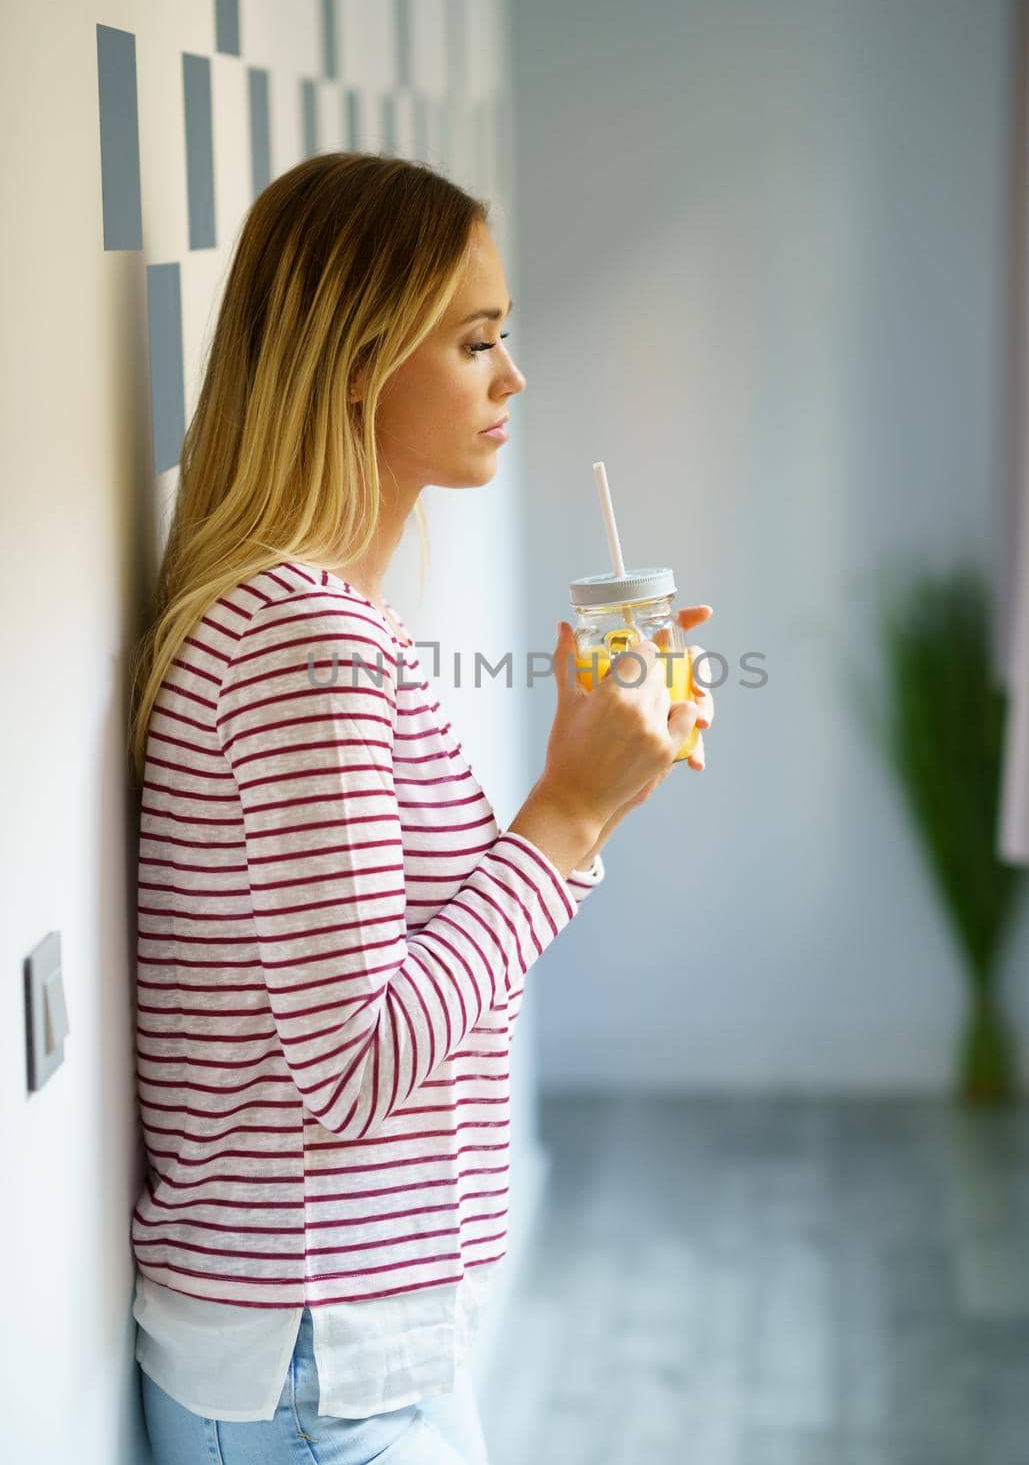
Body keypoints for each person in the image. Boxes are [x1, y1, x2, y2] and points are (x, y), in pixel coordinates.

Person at [126, 152, 712, 1464]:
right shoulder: (301, 644)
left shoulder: (308, 622)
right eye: (476, 341)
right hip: (317, 1373)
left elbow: (401, 978)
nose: (513, 377)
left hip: (346, 1357)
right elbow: (355, 1068)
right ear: (351, 361)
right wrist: (563, 816)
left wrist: (591, 795)